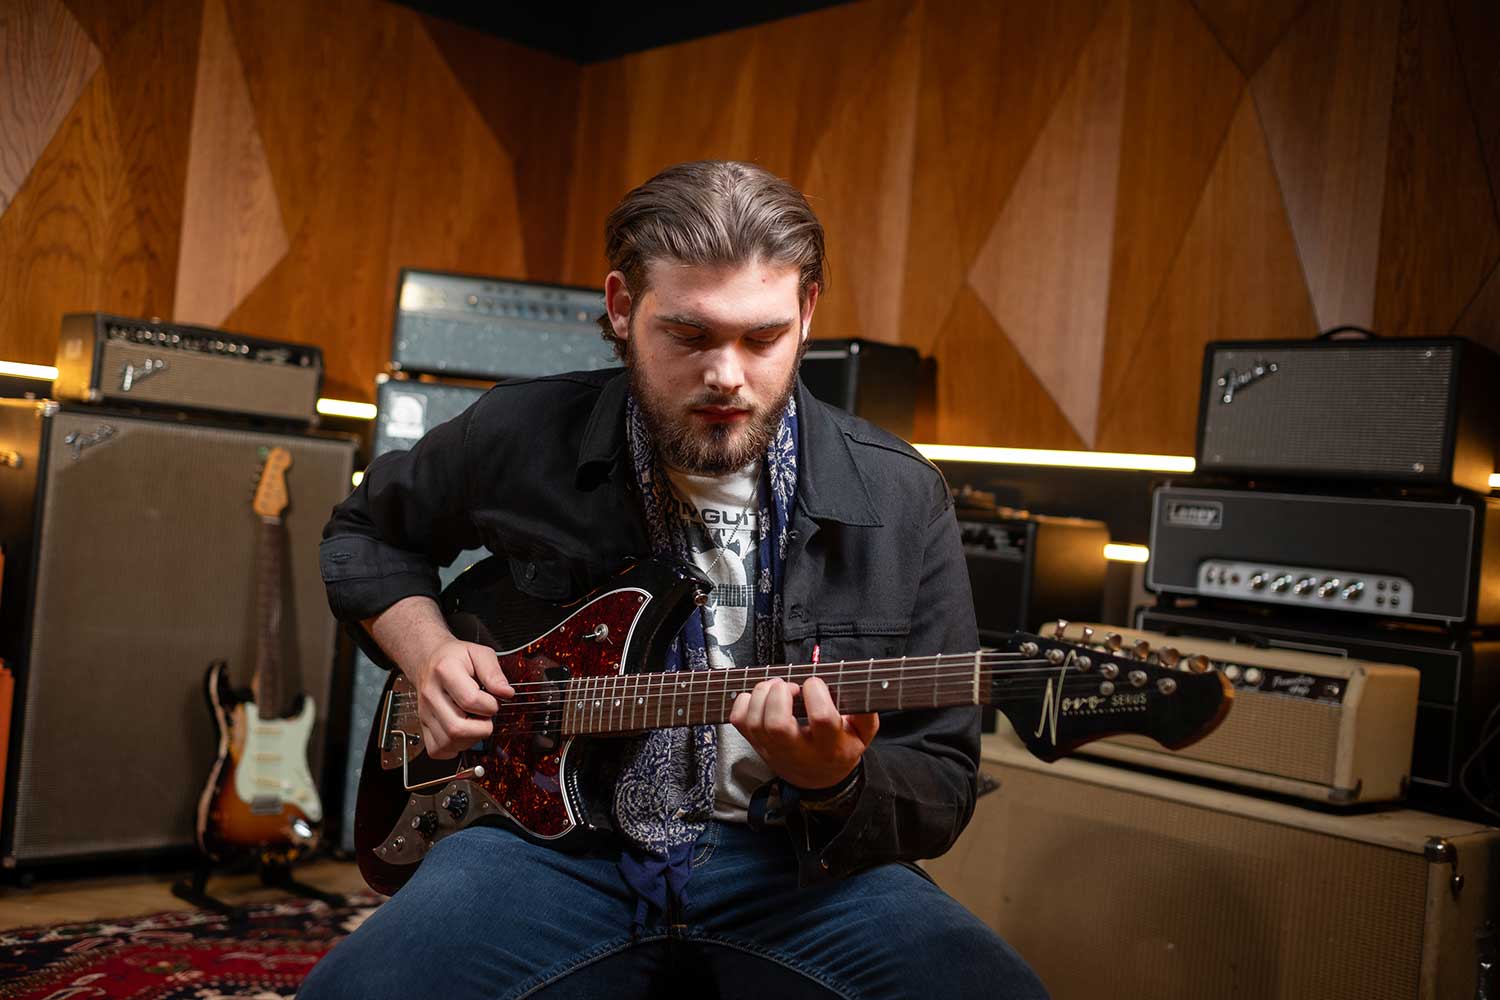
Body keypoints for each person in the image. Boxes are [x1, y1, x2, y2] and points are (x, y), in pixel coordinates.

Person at [300, 161, 1048, 999]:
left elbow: (942, 778)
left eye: (762, 338)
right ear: (622, 308)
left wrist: (834, 779)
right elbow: (365, 531)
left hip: (793, 865)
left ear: (806, 313)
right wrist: (427, 648)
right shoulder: (520, 431)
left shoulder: (903, 496)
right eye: (689, 336)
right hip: (547, 852)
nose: (727, 374)